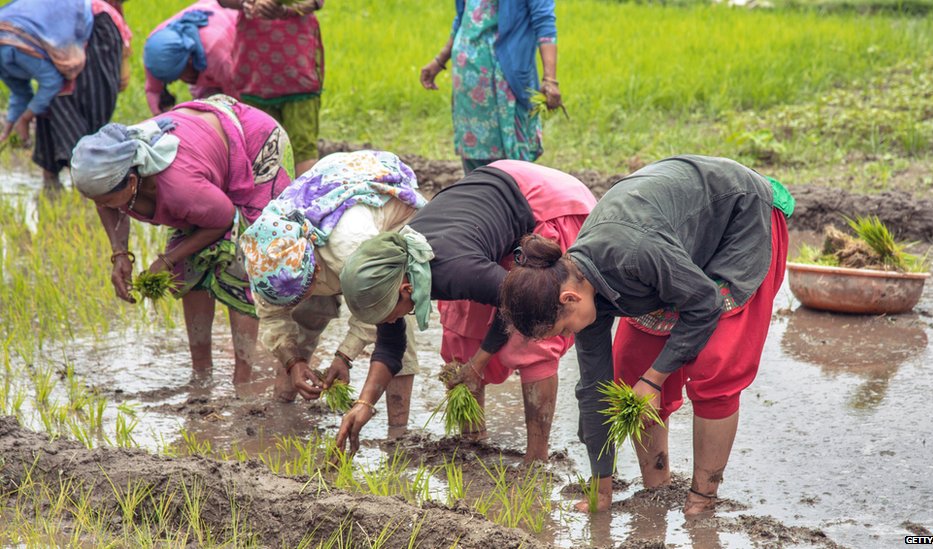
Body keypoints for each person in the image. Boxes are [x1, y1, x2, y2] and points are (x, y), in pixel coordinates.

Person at [499, 155, 795, 514]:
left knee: (715, 367)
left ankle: (702, 499)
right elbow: (594, 391)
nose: (568, 336)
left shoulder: (633, 254)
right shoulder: (580, 282)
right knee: (628, 368)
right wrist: (600, 488)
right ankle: (657, 488)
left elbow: (704, 303)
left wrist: (654, 380)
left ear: (569, 299)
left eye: (563, 328)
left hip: (740, 215)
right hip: (677, 242)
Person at [335, 161, 595, 462]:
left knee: (533, 333)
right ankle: (473, 445)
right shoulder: (397, 268)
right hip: (488, 202)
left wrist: (478, 363)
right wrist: (364, 403)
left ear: (406, 290)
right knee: (461, 336)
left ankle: (536, 459)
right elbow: (391, 346)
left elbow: (514, 306)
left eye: (390, 314)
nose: (392, 321)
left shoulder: (453, 270)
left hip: (543, 203)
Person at [70, 94, 294, 384]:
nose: (103, 205)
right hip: (201, 148)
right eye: (95, 200)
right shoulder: (112, 169)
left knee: (241, 267)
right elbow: (104, 202)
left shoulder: (179, 188)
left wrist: (166, 260)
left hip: (256, 142)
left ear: (134, 182)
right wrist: (120, 254)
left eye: (108, 199)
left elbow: (224, 218)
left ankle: (244, 380)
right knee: (189, 270)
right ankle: (201, 372)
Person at [239, 150, 426, 434]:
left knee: (397, 319)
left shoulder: (352, 245)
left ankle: (397, 434)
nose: (301, 299)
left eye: (305, 291)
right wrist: (293, 362)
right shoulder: (267, 255)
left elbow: (378, 308)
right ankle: (282, 411)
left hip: (383, 202)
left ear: (313, 271)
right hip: (326, 199)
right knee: (306, 314)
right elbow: (272, 315)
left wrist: (345, 356)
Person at [420, 0, 562, 174]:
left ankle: (505, 198)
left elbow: (544, 21)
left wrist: (550, 79)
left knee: (514, 165)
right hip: (468, 80)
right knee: (476, 162)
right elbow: (463, 16)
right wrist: (439, 60)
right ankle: (480, 198)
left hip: (507, 80)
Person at [0, 0, 131, 189]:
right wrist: (9, 128)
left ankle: (91, 186)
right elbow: (21, 93)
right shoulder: (5, 58)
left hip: (94, 23)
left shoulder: (10, 46)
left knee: (72, 101)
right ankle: (52, 182)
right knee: (47, 104)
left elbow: (51, 82)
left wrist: (26, 118)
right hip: (61, 31)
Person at [217, 0, 324, 176]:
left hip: (292, 69)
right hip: (259, 68)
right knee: (262, 148)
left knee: (293, 148)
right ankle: (280, 201)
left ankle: (299, 201)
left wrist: (275, 6)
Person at [143, 0, 237, 116]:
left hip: (233, 17)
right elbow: (153, 89)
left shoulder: (217, 55)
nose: (176, 81)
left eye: (178, 75)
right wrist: (159, 114)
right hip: (209, 34)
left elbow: (235, 93)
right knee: (204, 103)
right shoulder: (156, 47)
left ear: (189, 60)